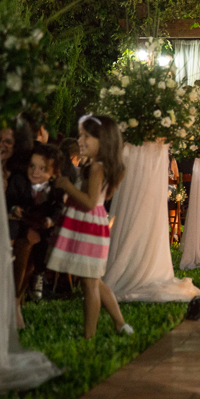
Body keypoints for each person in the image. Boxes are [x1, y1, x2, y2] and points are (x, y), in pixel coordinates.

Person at [48, 115, 133, 339]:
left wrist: (67, 185)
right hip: (96, 225)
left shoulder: (96, 168)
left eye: (86, 136)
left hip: (88, 227)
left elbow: (89, 202)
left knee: (89, 284)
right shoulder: (110, 167)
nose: (81, 140)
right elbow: (105, 198)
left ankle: (89, 336)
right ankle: (120, 324)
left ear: (102, 140)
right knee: (93, 279)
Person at [6, 143, 65, 326]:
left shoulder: (54, 188)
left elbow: (58, 208)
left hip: (41, 232)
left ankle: (21, 295)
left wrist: (50, 220)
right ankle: (13, 302)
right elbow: (9, 200)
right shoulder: (19, 181)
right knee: (21, 255)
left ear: (53, 172)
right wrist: (14, 209)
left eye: (42, 168)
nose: (35, 172)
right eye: (32, 166)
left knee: (32, 266)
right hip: (21, 227)